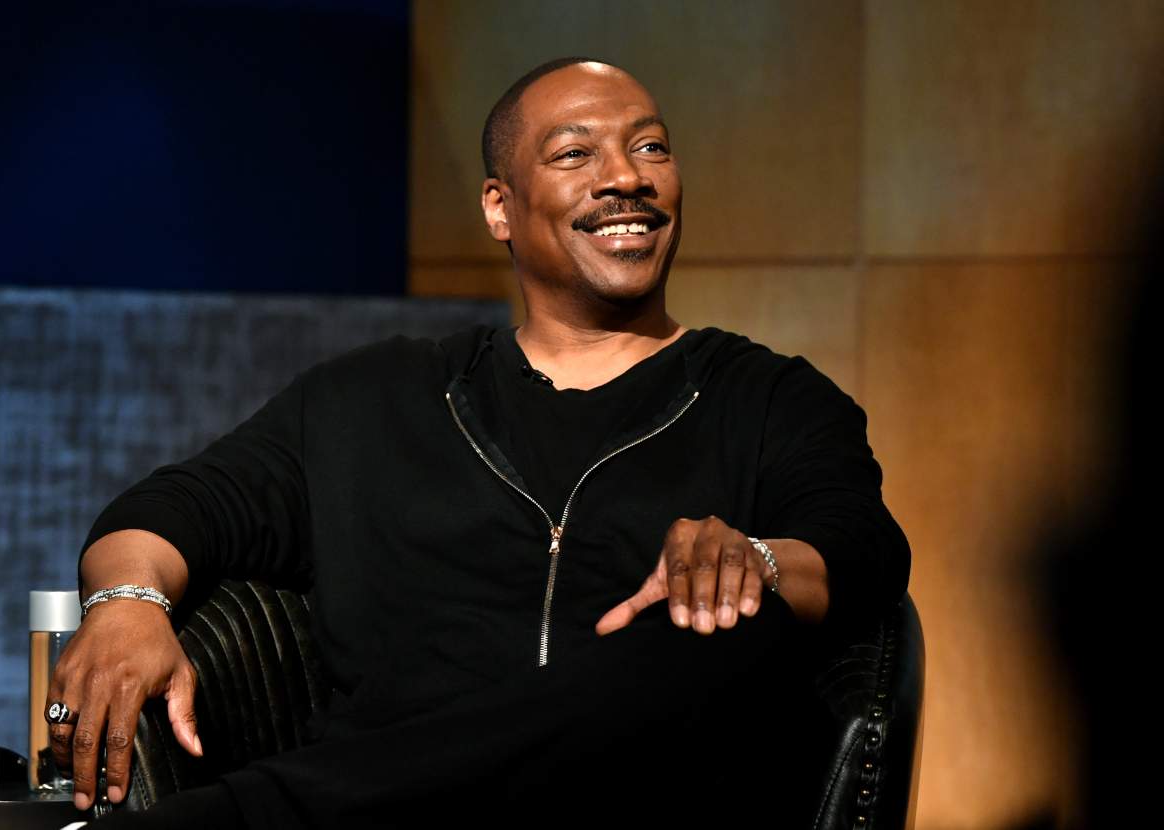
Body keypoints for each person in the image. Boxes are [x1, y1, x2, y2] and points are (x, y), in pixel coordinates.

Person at [46, 57, 911, 827]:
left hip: (646, 802)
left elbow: (862, 548)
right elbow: (179, 507)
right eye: (575, 155)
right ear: (500, 207)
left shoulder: (770, 399)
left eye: (651, 148)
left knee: (715, 623)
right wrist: (126, 602)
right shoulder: (373, 399)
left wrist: (756, 561)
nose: (627, 178)